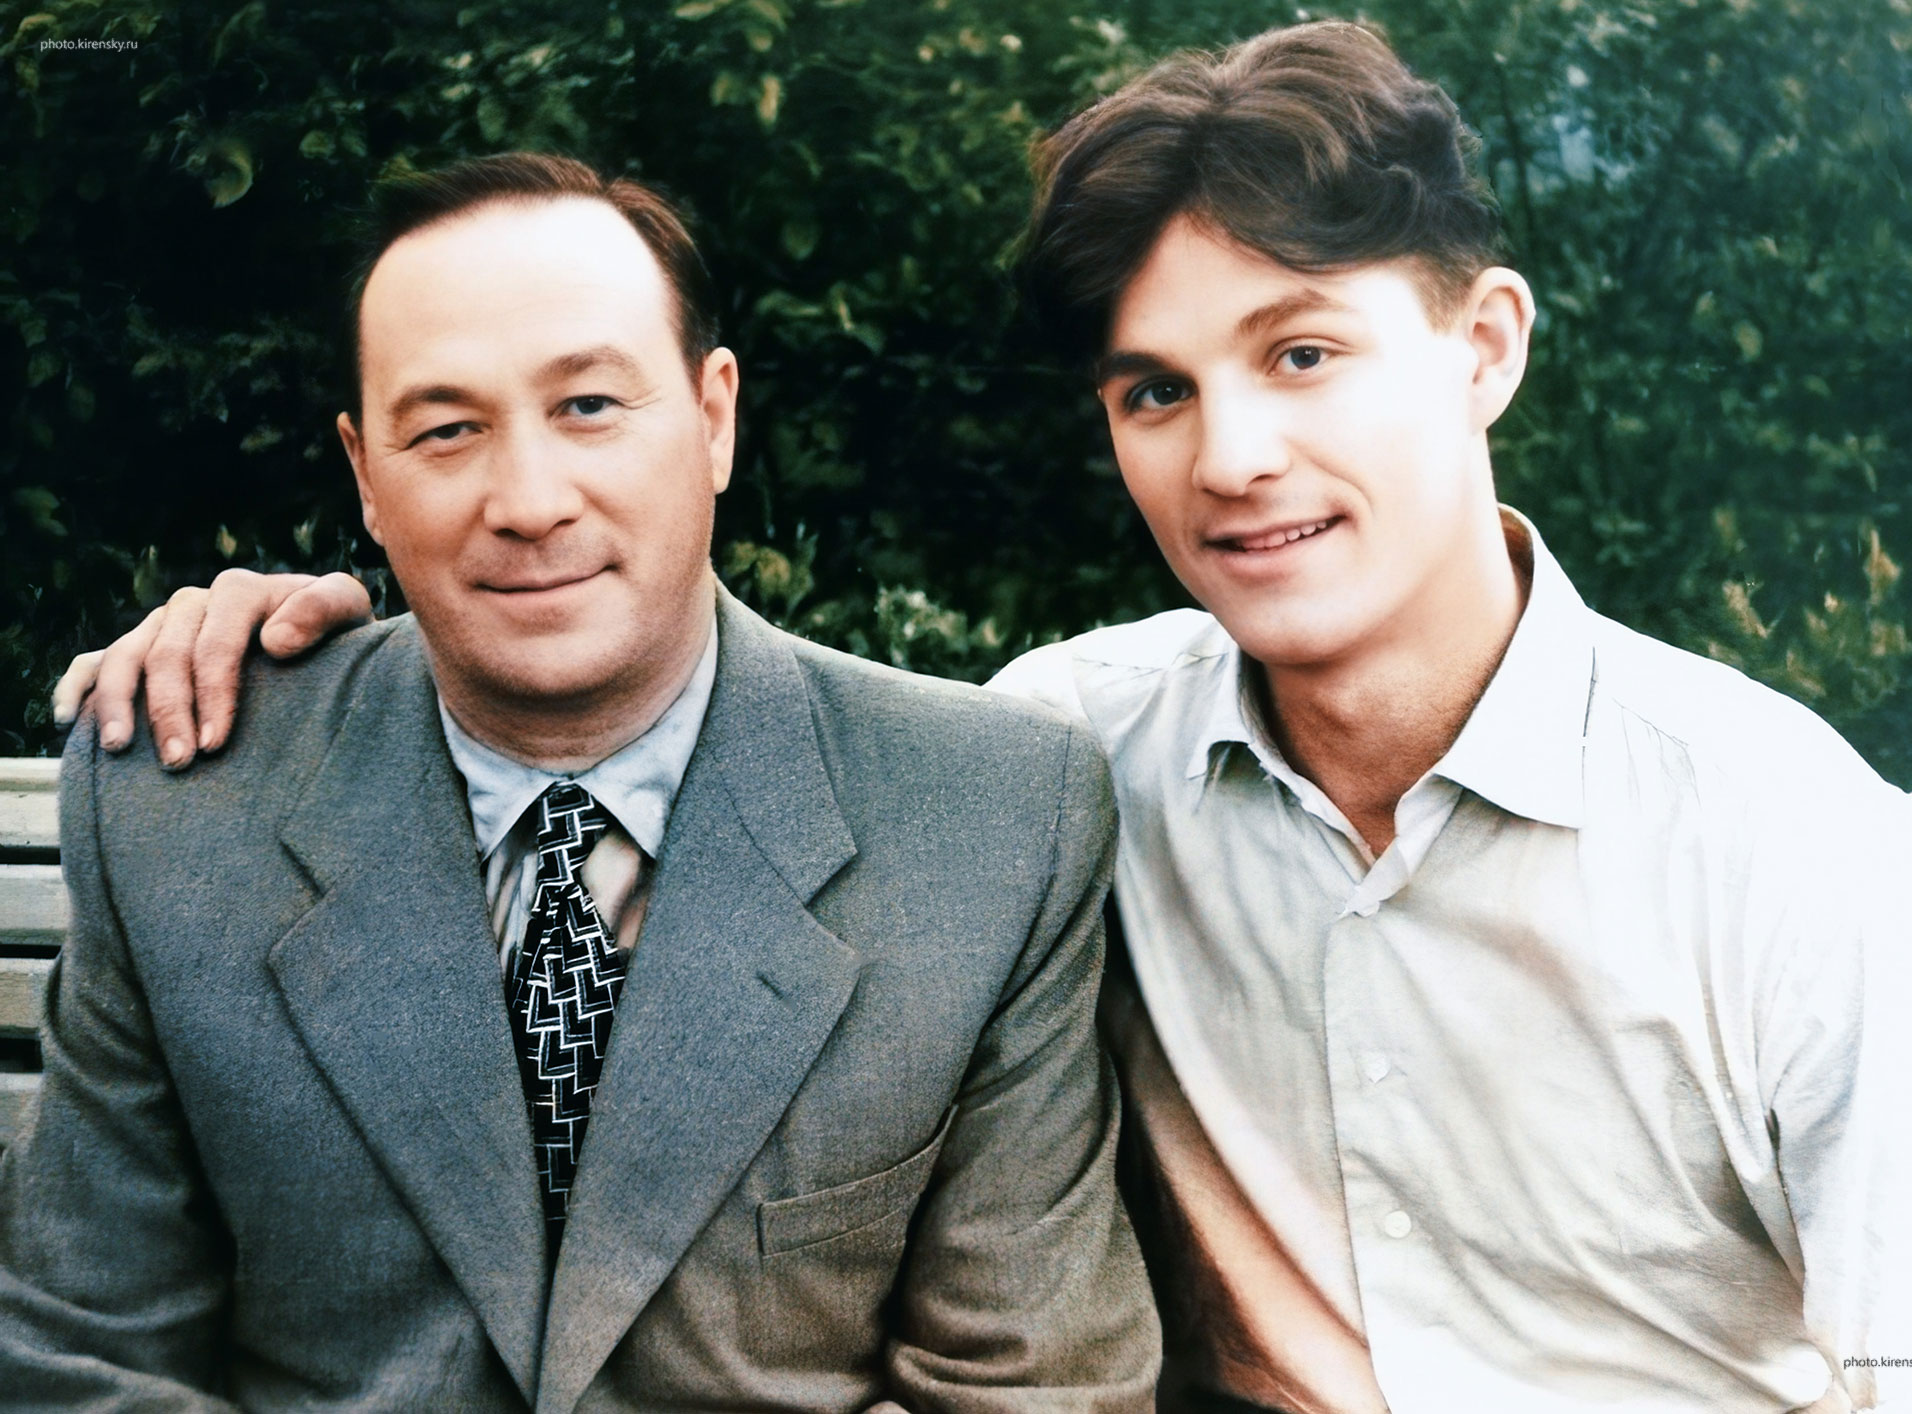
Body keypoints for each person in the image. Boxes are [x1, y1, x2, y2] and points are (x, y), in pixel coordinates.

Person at [56, 21, 1912, 1414]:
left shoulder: (1795, 851)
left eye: (1303, 352)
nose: (1234, 456)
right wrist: (286, 622)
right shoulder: (1067, 756)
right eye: (1156, 390)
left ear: (1482, 344)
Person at [1, 152, 1160, 1411]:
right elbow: (80, 1360)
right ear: (365, 475)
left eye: (589, 405)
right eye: (446, 429)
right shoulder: (181, 804)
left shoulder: (990, 819)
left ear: (713, 418)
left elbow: (1036, 1387)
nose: (528, 501)